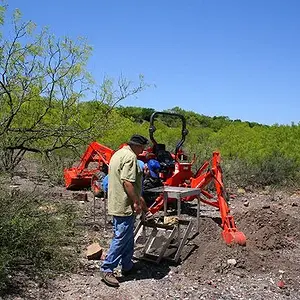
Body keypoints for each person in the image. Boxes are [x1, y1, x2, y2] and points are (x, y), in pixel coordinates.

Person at [100, 134, 150, 287]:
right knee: (122, 237)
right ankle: (107, 268)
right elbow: (127, 182)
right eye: (142, 147)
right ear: (136, 145)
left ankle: (127, 265)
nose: (143, 150)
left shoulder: (118, 153)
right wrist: (136, 202)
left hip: (117, 202)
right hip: (124, 204)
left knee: (127, 236)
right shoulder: (130, 157)